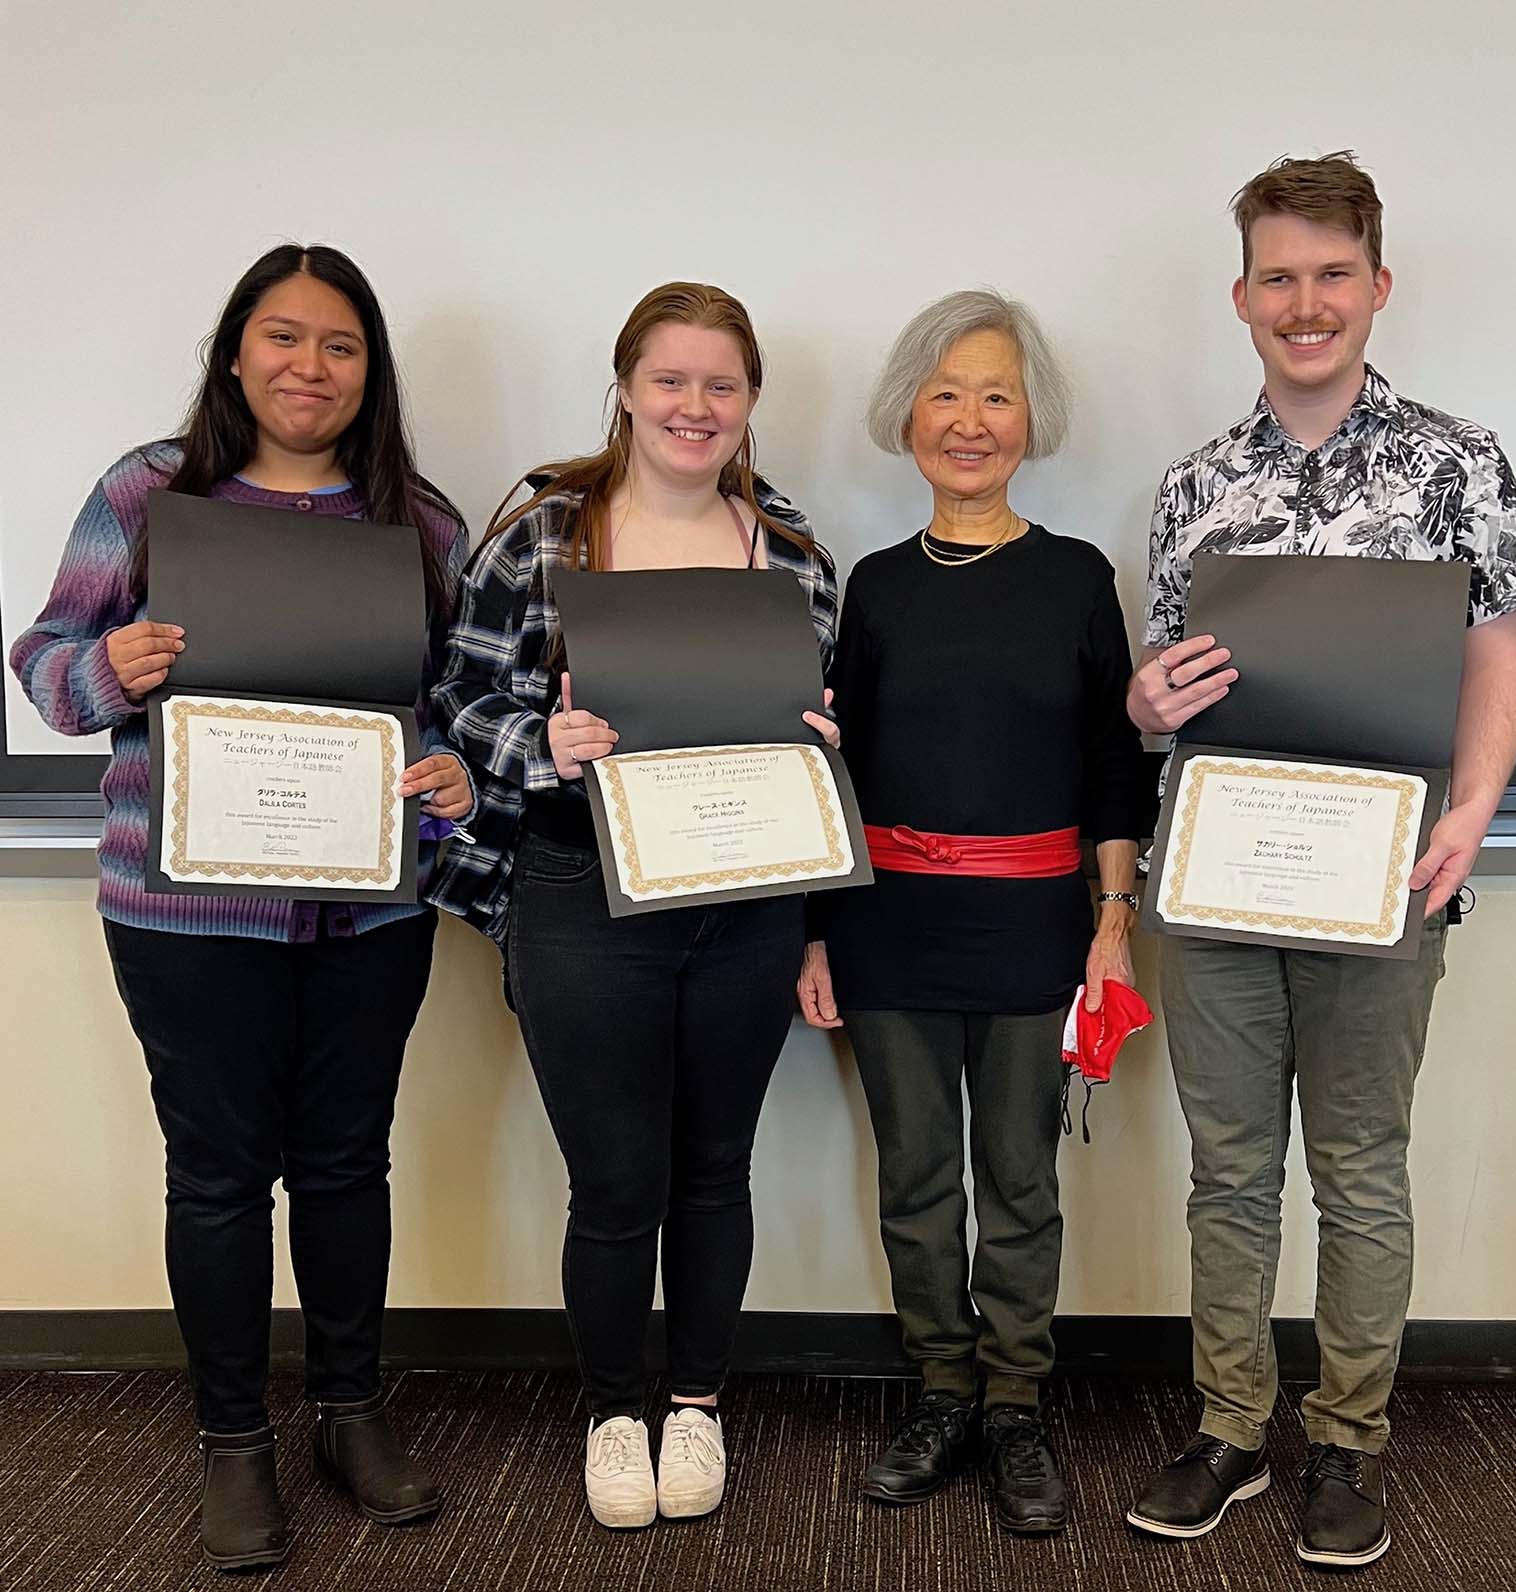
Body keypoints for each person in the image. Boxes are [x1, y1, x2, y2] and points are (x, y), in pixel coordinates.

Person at [10, 245, 472, 1571]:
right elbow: (44, 663)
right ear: (233, 353)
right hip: (181, 910)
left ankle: (347, 1413)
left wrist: (448, 770)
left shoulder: (416, 521)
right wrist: (110, 665)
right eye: (283, 338)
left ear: (369, 371)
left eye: (339, 346)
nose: (308, 368)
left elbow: (445, 706)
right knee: (216, 1179)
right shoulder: (149, 494)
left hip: (364, 915)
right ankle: (233, 1442)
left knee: (345, 1165)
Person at [1123, 153, 1516, 1570]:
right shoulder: (1194, 486)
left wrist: (1474, 812)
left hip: (1386, 878)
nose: (1306, 305)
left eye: (1333, 275)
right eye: (1280, 278)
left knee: (1360, 1169)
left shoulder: (1456, 462)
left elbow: (1497, 663)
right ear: (1242, 294)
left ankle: (1349, 1442)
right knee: (1229, 1171)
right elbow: (1159, 689)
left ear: (1377, 287)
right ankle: (1231, 1429)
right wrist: (1143, 706)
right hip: (1219, 880)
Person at [428, 282, 838, 1530]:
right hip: (578, 890)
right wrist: (543, 742)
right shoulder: (544, 534)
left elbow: (825, 738)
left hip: (749, 901)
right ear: (624, 386)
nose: (694, 406)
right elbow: (458, 699)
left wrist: (824, 747)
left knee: (715, 1171)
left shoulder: (798, 556)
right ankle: (614, 1410)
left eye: (722, 384)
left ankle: (696, 1403)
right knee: (613, 1183)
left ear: (752, 400)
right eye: (669, 379)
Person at [797, 290, 1146, 1534]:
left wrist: (1113, 920)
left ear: (1030, 417)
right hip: (887, 925)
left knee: (1020, 1176)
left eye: (995, 394)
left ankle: (1013, 1403)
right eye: (945, 392)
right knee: (915, 1177)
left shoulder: (1075, 578)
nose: (969, 419)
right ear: (907, 415)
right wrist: (816, 931)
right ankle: (939, 1388)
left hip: (1037, 928)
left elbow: (1116, 761)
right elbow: (831, 774)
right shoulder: (875, 588)